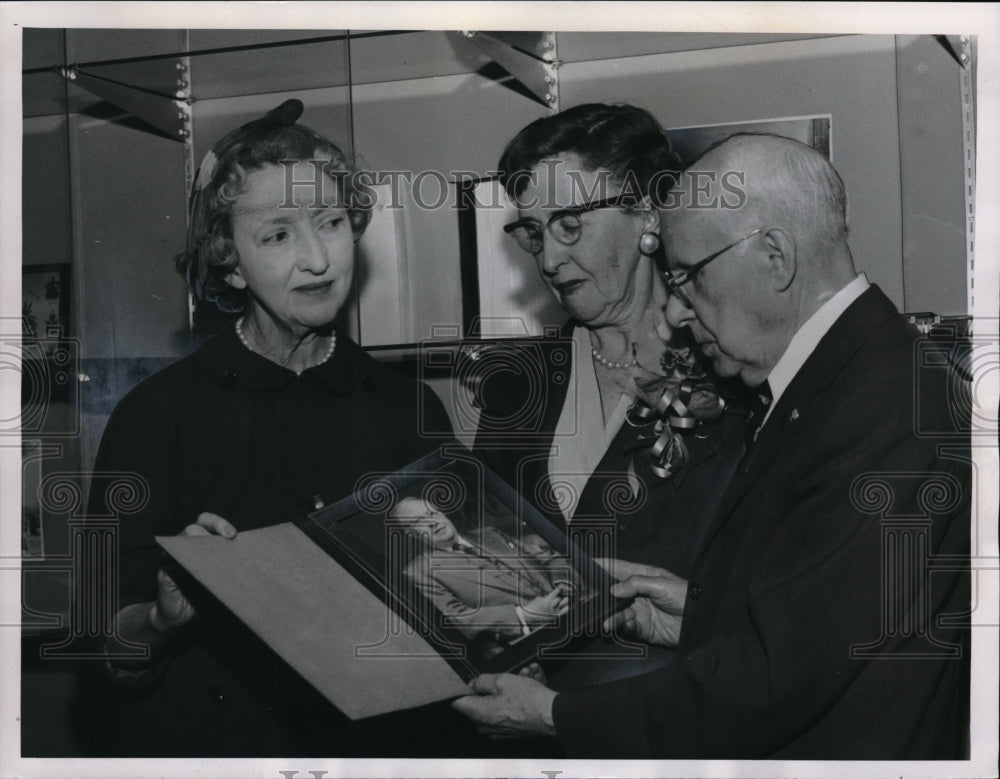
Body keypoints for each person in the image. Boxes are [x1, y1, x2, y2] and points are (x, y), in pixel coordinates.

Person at [453, 133, 971, 759]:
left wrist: (559, 716)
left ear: (774, 256)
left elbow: (781, 679)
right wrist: (696, 614)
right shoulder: (855, 379)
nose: (677, 311)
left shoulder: (879, 402)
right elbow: (819, 619)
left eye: (690, 277)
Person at [90, 100, 453, 756]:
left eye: (332, 222)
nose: (317, 259)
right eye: (278, 234)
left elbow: (452, 613)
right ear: (231, 261)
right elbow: (111, 645)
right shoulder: (156, 414)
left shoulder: (411, 409)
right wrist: (161, 620)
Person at [473, 102, 746, 687]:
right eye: (532, 232)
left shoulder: (736, 380)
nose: (548, 258)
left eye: (570, 224)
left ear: (646, 213)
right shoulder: (516, 384)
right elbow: (484, 555)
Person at [390, 496, 574, 641]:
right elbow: (455, 618)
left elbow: (549, 558)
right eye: (419, 521)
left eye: (433, 513)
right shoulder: (417, 572)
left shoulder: (489, 533)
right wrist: (526, 615)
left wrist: (564, 585)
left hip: (574, 606)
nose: (433, 522)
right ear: (410, 534)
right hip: (534, 638)